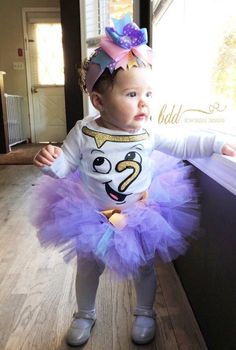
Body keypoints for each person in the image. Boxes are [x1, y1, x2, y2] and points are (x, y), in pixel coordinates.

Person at [32, 14, 236, 347]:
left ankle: (144, 312)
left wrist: (215, 143)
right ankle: (85, 313)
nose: (144, 103)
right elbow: (65, 165)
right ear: (99, 101)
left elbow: (183, 142)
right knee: (88, 267)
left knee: (143, 267)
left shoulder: (148, 132)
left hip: (138, 212)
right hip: (93, 216)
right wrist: (50, 164)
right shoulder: (84, 132)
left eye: (149, 93)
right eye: (131, 95)